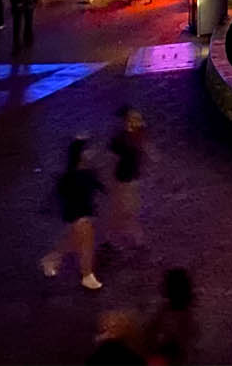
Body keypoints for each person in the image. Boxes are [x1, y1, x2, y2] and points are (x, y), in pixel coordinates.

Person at [42, 137, 105, 290]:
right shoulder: (72, 176)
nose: (91, 153)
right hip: (77, 214)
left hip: (85, 213)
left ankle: (51, 259)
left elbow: (99, 188)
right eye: (87, 151)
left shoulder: (88, 173)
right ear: (80, 154)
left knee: (73, 242)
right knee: (86, 243)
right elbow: (65, 195)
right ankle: (87, 275)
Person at [106, 106, 147, 250]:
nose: (136, 121)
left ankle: (123, 238)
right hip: (125, 178)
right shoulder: (127, 137)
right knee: (125, 210)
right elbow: (115, 148)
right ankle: (128, 238)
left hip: (128, 178)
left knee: (125, 210)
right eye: (132, 119)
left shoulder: (134, 136)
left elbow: (116, 148)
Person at [143, 268, 197, 366]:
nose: (164, 288)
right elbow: (150, 332)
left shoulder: (184, 318)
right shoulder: (165, 310)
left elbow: (179, 349)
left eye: (168, 287)